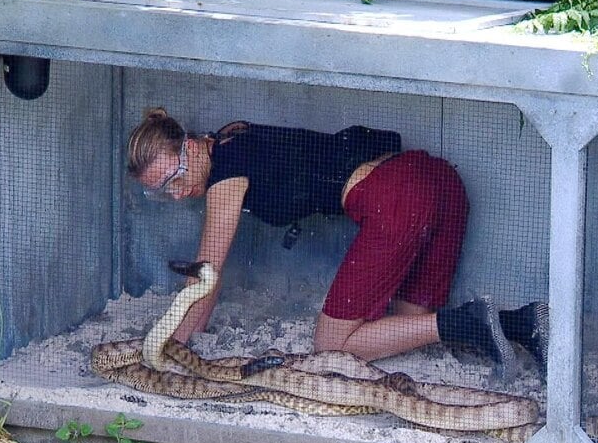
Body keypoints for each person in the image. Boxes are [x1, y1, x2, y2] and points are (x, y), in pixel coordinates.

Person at [126, 107, 548, 383]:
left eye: (175, 177)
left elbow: (206, 276)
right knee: (407, 325)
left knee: (332, 344)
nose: (177, 192)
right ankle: (523, 324)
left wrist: (172, 344)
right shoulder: (234, 135)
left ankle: (473, 319)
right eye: (161, 192)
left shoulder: (226, 174)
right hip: (438, 181)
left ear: (192, 146)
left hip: (396, 196)